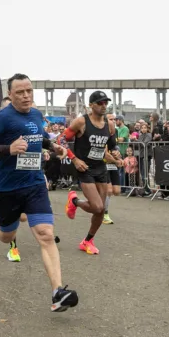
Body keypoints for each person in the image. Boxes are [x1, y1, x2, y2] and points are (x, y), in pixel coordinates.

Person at [0, 74, 78, 312]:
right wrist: (7, 149)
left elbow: (37, 137)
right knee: (6, 237)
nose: (26, 96)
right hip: (8, 187)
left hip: (34, 184)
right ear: (10, 95)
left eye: (29, 91)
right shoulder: (2, 119)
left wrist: (53, 146)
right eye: (20, 92)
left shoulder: (36, 114)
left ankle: (58, 292)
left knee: (45, 234)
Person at [63, 91, 123, 254]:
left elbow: (112, 144)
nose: (104, 106)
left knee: (101, 209)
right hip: (85, 169)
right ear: (91, 105)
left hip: (100, 168)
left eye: (106, 103)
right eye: (100, 103)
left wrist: (116, 152)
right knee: (97, 207)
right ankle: (74, 201)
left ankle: (87, 241)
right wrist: (74, 159)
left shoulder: (109, 125)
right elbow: (61, 140)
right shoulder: (81, 122)